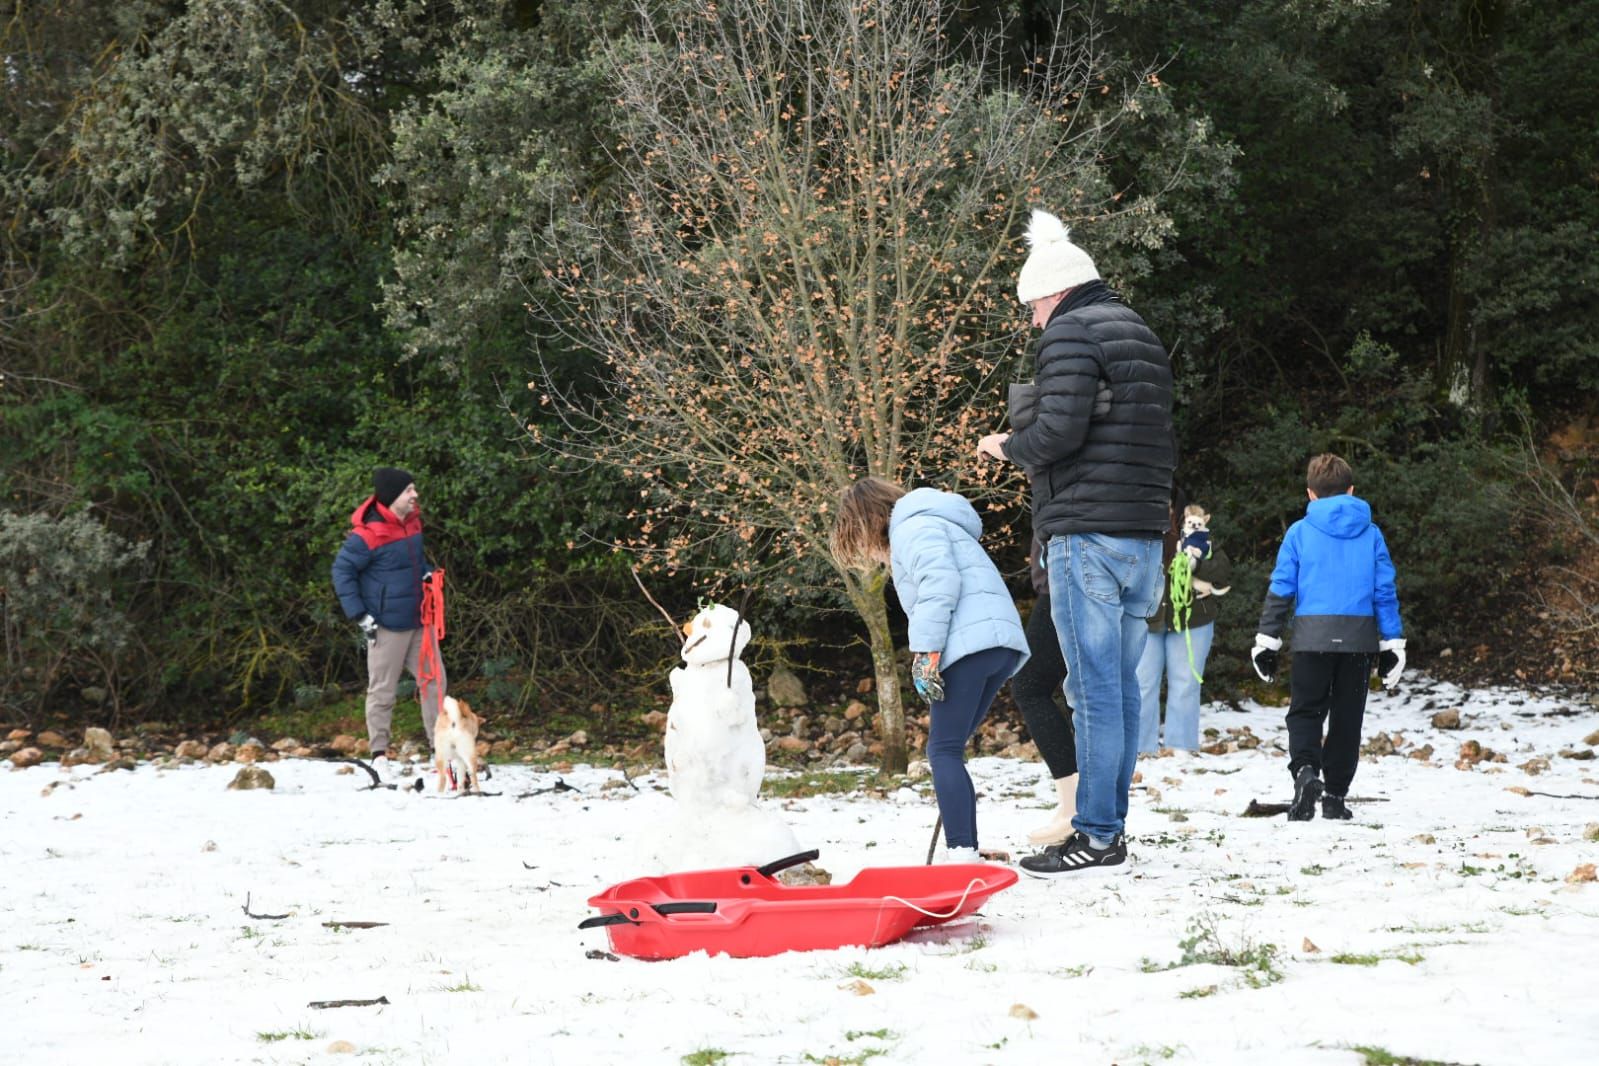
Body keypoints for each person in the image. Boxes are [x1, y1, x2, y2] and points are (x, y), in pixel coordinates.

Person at [976, 208, 1175, 876]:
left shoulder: (1069, 333)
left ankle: (1094, 834)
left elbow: (1057, 434)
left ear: (1052, 294)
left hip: (1086, 533)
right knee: (1117, 690)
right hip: (1143, 533)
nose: (1033, 322)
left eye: (1032, 308)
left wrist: (1006, 445)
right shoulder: (1139, 333)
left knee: (1090, 693)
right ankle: (1107, 827)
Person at [832, 477, 1029, 862]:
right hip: (997, 643)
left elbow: (940, 584)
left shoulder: (911, 527)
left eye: (861, 538)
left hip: (970, 644)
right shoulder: (934, 521)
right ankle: (965, 845)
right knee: (951, 748)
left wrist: (925, 652)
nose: (869, 552)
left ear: (871, 520)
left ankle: (961, 853)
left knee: (942, 750)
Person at [1250, 453, 1405, 821]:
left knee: (1304, 712)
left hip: (1311, 638)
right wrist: (1392, 643)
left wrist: (1266, 641)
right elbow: (1385, 591)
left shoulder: (1299, 532)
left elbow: (1281, 590)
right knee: (1347, 718)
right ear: (1351, 491)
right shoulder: (1372, 533)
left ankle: (1305, 772)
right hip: (1357, 641)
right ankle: (1335, 796)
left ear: (1310, 494)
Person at [331, 466, 447, 778]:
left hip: (419, 620)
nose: (415, 495)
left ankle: (440, 749)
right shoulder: (366, 535)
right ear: (393, 496)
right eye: (409, 490)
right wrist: (359, 615)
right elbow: (342, 572)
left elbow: (413, 560)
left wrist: (425, 572)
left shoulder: (412, 524)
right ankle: (379, 754)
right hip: (384, 625)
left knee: (435, 682)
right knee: (382, 690)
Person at [1137, 491, 1234, 753]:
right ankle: (1141, 751)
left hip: (1194, 618)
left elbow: (1223, 571)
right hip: (1146, 618)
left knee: (1186, 684)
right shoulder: (1136, 530)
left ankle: (1180, 749)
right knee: (1143, 685)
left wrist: (1194, 563)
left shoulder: (1200, 531)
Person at [1011, 535, 1078, 845]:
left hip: (1066, 580)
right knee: (1085, 692)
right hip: (1069, 578)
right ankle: (1077, 805)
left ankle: (1074, 806)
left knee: (1030, 686)